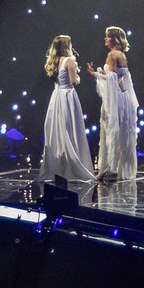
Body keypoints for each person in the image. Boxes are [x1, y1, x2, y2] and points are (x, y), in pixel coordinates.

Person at [40, 35, 97, 189]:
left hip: (56, 98)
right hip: (67, 97)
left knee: (58, 132)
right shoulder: (69, 60)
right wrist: (78, 76)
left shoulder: (54, 61)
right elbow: (73, 81)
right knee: (69, 130)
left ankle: (60, 168)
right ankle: (70, 167)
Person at [93, 27, 138, 185]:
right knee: (122, 133)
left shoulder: (112, 54)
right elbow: (120, 77)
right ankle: (116, 168)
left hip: (116, 99)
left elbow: (112, 81)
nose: (105, 40)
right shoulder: (122, 55)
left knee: (112, 130)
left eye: (107, 37)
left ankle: (110, 168)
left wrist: (96, 75)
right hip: (123, 97)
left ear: (114, 39)